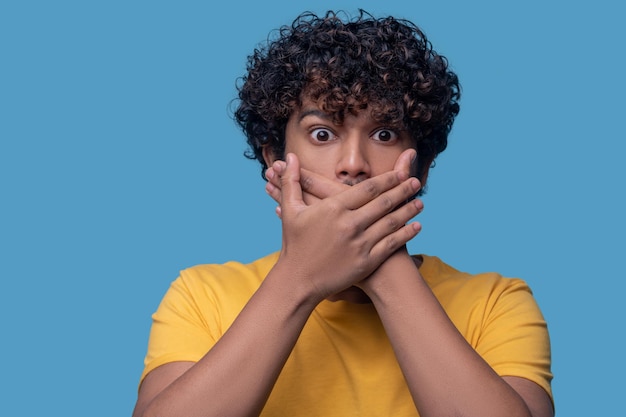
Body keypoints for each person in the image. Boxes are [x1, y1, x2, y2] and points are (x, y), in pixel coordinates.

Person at [132, 10, 553, 417]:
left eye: (384, 133)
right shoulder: (201, 296)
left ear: (421, 167)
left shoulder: (495, 304)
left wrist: (383, 265)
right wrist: (300, 278)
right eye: (322, 133)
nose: (353, 163)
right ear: (275, 159)